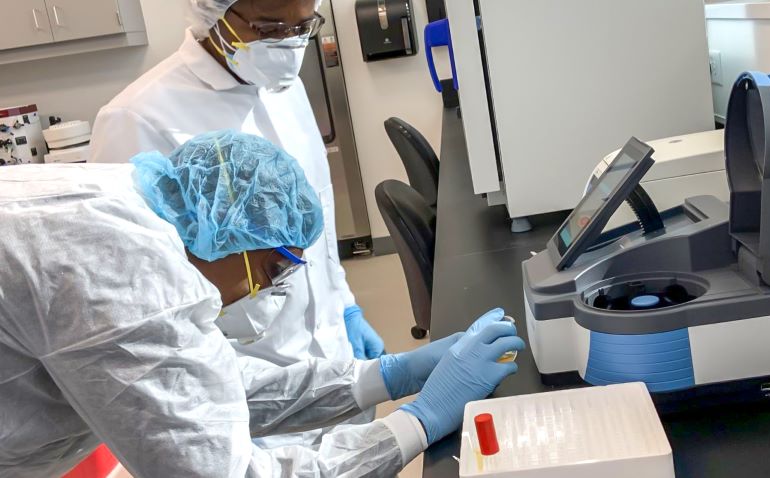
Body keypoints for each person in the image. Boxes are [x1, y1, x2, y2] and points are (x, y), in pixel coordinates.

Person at [0, 130, 525, 477]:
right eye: (274, 269)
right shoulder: (129, 276)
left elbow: (205, 384)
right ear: (227, 236)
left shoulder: (142, 208)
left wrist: (385, 376)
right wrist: (417, 421)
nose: (270, 291)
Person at [89, 0, 382, 367]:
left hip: (332, 349)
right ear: (213, 14)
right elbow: (134, 287)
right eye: (270, 28)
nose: (288, 46)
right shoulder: (136, 117)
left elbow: (317, 213)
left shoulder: (284, 86)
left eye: (302, 28)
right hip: (245, 372)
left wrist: (346, 305)